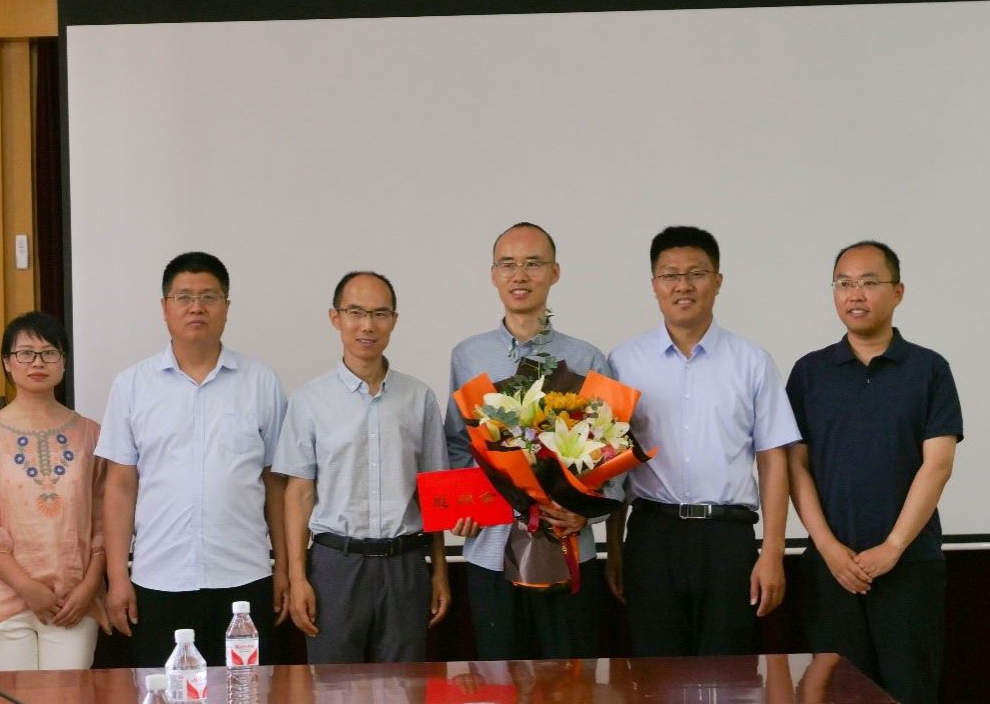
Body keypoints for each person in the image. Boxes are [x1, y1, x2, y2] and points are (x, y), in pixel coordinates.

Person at [605, 225, 797, 656]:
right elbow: (612, 461)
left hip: (727, 539)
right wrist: (615, 549)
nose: (683, 285)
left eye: (696, 273)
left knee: (729, 672)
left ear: (718, 281)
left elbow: (772, 459)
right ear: (654, 285)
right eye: (670, 275)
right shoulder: (623, 362)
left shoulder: (752, 362)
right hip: (652, 536)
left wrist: (772, 552)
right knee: (656, 673)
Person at [785, 241, 962, 704]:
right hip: (831, 569)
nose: (855, 294)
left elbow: (938, 464)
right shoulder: (809, 373)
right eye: (844, 284)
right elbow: (795, 466)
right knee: (834, 695)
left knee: (910, 692)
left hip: (910, 566)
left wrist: (894, 546)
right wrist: (828, 548)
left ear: (898, 292)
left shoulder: (929, 369)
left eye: (868, 283)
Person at [98, 252, 289, 666]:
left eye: (209, 296)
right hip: (159, 578)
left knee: (246, 692)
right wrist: (117, 576)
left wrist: (285, 568)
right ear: (164, 307)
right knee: (166, 691)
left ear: (227, 306)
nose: (196, 307)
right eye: (183, 297)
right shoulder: (132, 385)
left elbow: (275, 482)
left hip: (245, 576)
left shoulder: (261, 381)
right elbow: (119, 486)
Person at [445, 222, 617, 660]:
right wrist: (464, 505)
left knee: (569, 681)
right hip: (490, 550)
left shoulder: (586, 358)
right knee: (498, 679)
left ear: (554, 272)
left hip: (568, 548)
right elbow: (458, 444)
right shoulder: (468, 355)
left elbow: (611, 452)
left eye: (533, 264)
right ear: (493, 275)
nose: (519, 275)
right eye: (508, 265)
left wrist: (585, 512)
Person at [275, 271, 451, 663]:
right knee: (334, 687)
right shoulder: (309, 401)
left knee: (404, 686)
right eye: (355, 312)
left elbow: (434, 491)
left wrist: (439, 570)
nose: (367, 325)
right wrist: (298, 578)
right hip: (335, 567)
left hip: (405, 565)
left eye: (379, 314)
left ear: (394, 320)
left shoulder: (418, 398)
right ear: (335, 318)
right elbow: (298, 493)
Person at [0, 311, 109, 670]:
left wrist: (89, 587)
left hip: (72, 601)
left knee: (67, 695)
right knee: (12, 695)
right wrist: (28, 588)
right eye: (25, 353)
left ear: (64, 362)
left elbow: (105, 520)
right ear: (7, 363)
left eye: (49, 353)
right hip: (1, 599)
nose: (37, 362)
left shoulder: (92, 435)